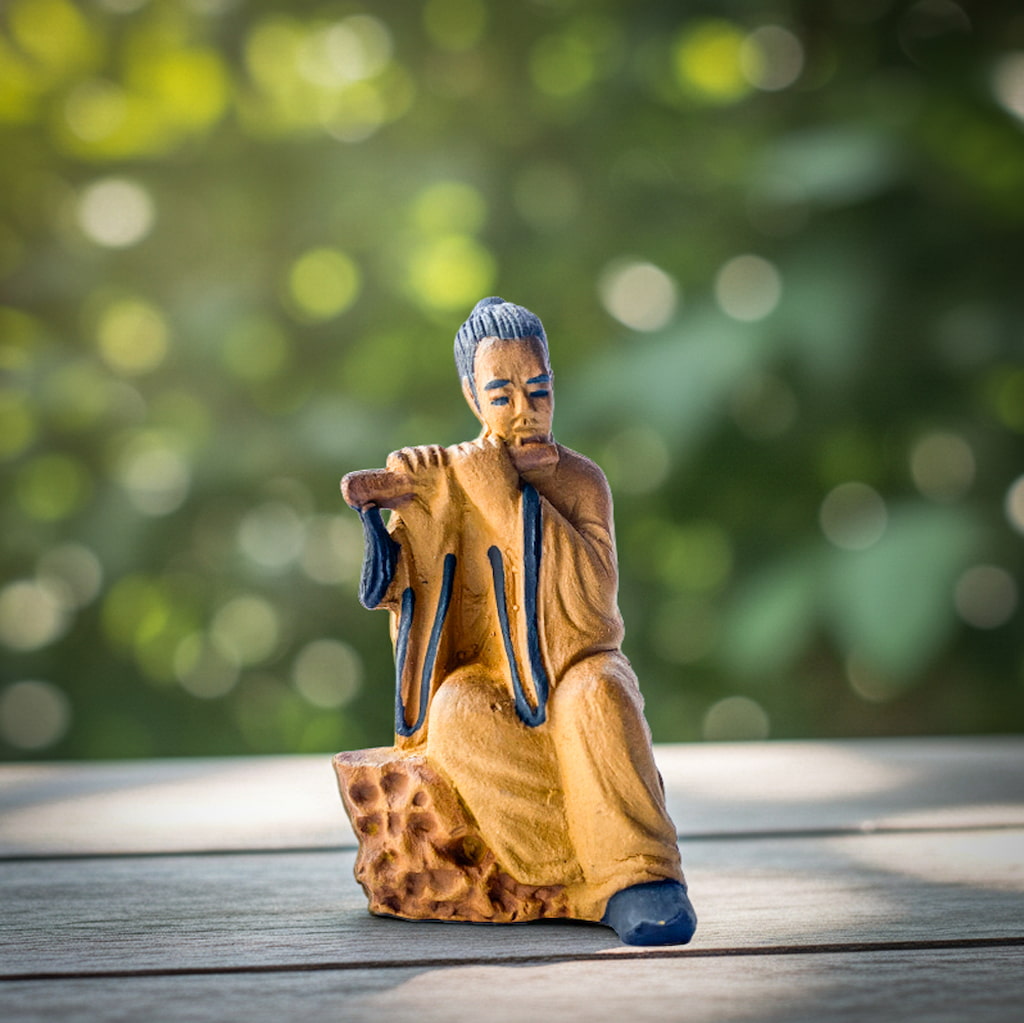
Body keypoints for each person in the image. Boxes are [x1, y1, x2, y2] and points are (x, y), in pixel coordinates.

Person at [340, 297, 696, 946]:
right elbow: (400, 590)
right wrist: (413, 509)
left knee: (599, 695)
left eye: (539, 389)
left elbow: (591, 601)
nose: (525, 410)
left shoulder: (581, 482)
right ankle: (571, 871)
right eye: (502, 394)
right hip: (495, 687)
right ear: (472, 396)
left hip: (571, 667)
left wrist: (505, 498)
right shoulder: (447, 477)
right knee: (455, 710)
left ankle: (638, 875)